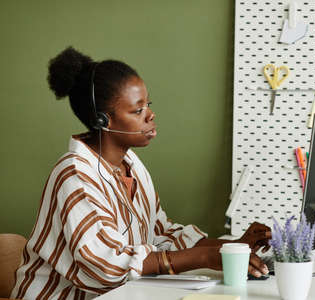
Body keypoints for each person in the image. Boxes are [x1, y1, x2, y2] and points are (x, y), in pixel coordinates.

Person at [11, 47, 271, 300]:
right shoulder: (75, 176)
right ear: (103, 121)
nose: (150, 115)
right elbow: (108, 267)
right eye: (138, 110)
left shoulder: (131, 164)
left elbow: (160, 236)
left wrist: (231, 247)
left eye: (148, 104)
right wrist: (205, 258)